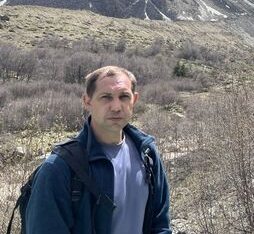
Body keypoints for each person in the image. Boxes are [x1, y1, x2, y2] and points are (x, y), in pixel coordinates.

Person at [25, 66, 171, 234]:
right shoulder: (60, 168)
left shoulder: (146, 153)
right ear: (87, 101)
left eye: (124, 96)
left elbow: (160, 223)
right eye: (106, 97)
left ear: (134, 100)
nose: (116, 107)